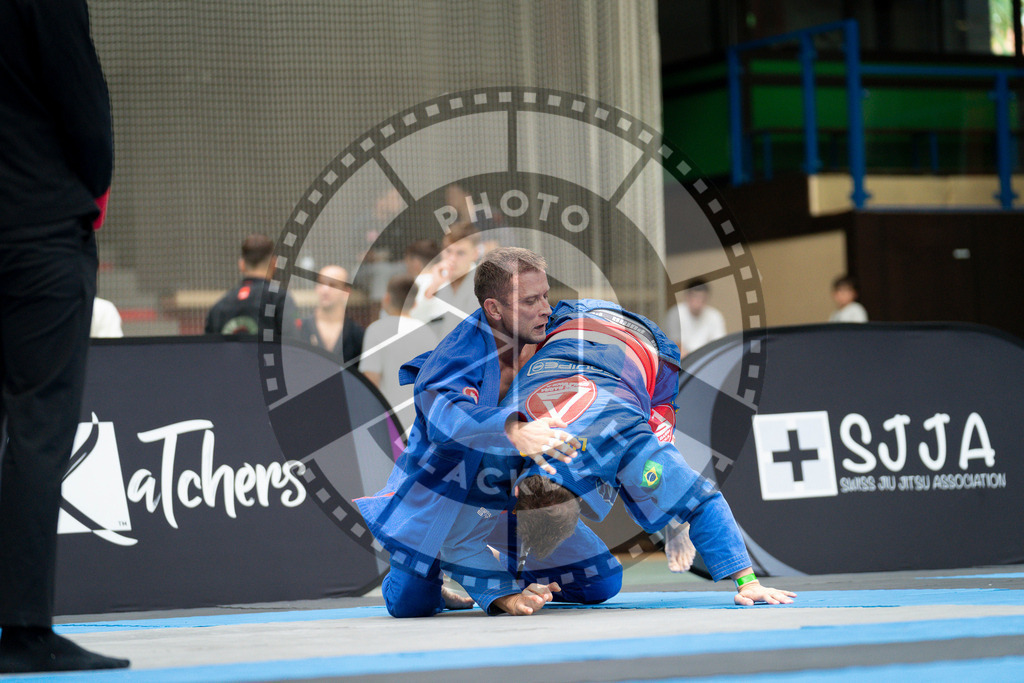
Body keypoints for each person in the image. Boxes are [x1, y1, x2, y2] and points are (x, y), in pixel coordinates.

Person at [507, 300, 796, 607]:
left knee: (661, 477)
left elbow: (703, 499)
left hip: (645, 344)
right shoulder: (508, 428)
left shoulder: (625, 434)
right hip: (565, 323)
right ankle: (671, 511)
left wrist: (746, 580)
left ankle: (672, 521)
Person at [0, 0, 129, 672]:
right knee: (38, 428)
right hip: (35, 228)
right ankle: (22, 627)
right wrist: (88, 189)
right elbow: (84, 109)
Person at [356, 247, 581, 618]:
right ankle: (436, 575)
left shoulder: (554, 327)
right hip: (450, 493)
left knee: (600, 581)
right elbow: (450, 421)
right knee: (410, 603)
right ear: (493, 308)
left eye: (545, 295)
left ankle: (509, 565)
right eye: (530, 300)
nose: (546, 308)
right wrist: (512, 428)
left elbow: (621, 330)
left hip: (512, 492)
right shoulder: (454, 359)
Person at [358, 274, 438, 433]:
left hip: (388, 425)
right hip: (421, 425)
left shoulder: (376, 330)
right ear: (414, 303)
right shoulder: (428, 333)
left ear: (386, 298)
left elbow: (370, 381)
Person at [205, 234, 299, 336]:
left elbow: (210, 349)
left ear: (241, 264)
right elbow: (293, 345)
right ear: (274, 263)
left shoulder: (219, 307)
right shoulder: (280, 300)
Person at [411, 222, 481, 339]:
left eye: (460, 253)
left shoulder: (487, 284)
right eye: (448, 251)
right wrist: (433, 288)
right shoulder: (426, 281)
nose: (452, 259)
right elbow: (412, 323)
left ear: (475, 254)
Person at [296, 265, 364, 365]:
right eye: (321, 283)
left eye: (333, 285)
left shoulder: (357, 334)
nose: (325, 290)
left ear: (346, 292)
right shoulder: (299, 329)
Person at [662, 279, 726, 358]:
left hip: (706, 358)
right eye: (695, 297)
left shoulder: (715, 316)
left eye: (702, 298)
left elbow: (718, 344)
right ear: (687, 296)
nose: (698, 302)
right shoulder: (676, 313)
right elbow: (674, 344)